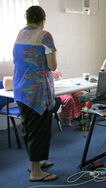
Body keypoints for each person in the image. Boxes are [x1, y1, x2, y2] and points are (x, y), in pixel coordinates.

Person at [13, 6, 58, 181]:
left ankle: (34, 164)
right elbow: (53, 66)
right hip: (37, 93)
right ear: (43, 19)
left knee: (29, 128)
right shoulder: (44, 36)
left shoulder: (20, 34)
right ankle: (36, 173)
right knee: (39, 130)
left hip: (21, 90)